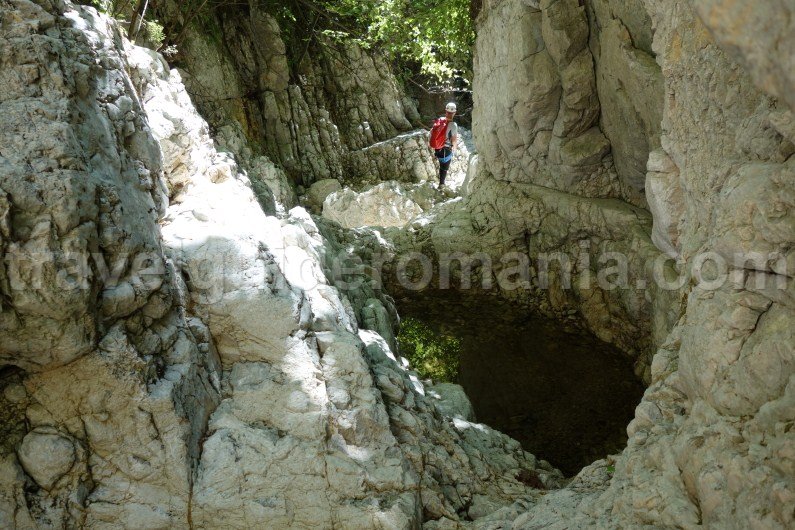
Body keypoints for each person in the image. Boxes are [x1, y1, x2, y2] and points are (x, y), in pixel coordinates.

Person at [434, 102, 458, 188]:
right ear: (454, 113)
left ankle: (439, 180)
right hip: (446, 151)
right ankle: (441, 185)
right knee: (444, 168)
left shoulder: (440, 120)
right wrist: (455, 150)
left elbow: (431, 134)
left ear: (445, 111)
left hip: (437, 149)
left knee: (441, 164)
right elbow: (454, 140)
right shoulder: (453, 125)